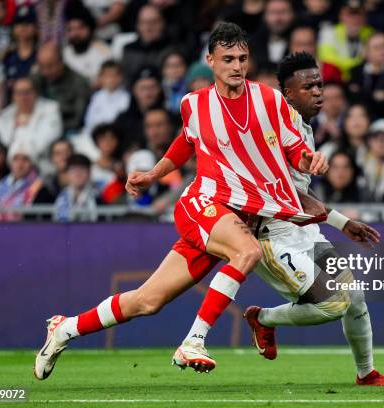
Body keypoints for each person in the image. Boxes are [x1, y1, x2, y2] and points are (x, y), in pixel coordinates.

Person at [34, 22, 329, 379]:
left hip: (236, 218)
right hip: (204, 203)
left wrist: (309, 160)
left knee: (147, 301)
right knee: (247, 252)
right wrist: (153, 174)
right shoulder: (195, 104)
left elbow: (295, 151)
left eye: (242, 58)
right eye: (228, 59)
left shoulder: (270, 100)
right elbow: (186, 143)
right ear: (210, 61)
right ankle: (194, 341)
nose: (237, 66)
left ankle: (64, 329)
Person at [245, 51, 384, 386]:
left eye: (320, 85)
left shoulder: (304, 128)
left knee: (354, 296)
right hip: (270, 234)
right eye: (308, 87)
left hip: (303, 230)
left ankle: (366, 374)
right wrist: (343, 222)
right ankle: (263, 318)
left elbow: (299, 192)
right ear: (287, 94)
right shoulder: (272, 129)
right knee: (332, 304)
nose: (318, 92)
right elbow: (286, 193)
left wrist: (340, 223)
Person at [0, 77, 63, 175]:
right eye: (19, 93)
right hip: (12, 167)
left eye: (27, 92)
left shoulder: (51, 109)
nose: (23, 97)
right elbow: (6, 140)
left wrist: (22, 156)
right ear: (13, 96)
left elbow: (43, 142)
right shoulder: (4, 116)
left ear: (36, 93)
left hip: (43, 166)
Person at [32, 41, 91, 133]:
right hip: (37, 129)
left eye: (50, 66)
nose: (45, 71)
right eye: (41, 66)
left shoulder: (79, 83)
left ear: (61, 62)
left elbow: (78, 119)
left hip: (66, 131)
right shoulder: (35, 78)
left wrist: (51, 129)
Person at [317, 0, 374, 81]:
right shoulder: (328, 32)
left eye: (359, 14)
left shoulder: (371, 33)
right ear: (341, 16)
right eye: (350, 14)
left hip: (362, 80)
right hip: (336, 81)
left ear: (365, 17)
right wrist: (359, 62)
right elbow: (328, 60)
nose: (355, 19)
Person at [62, 5, 111, 85]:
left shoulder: (103, 52)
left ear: (90, 29)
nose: (75, 33)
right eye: (70, 29)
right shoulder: (65, 53)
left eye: (80, 28)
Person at [82, 60, 130, 135]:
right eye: (107, 76)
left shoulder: (126, 98)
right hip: (93, 135)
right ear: (101, 78)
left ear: (120, 77)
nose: (110, 79)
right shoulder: (95, 97)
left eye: (113, 76)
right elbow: (89, 122)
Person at [54, 153, 99, 222]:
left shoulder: (99, 198)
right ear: (67, 174)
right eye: (73, 169)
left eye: (82, 169)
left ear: (89, 173)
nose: (78, 173)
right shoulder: (58, 196)